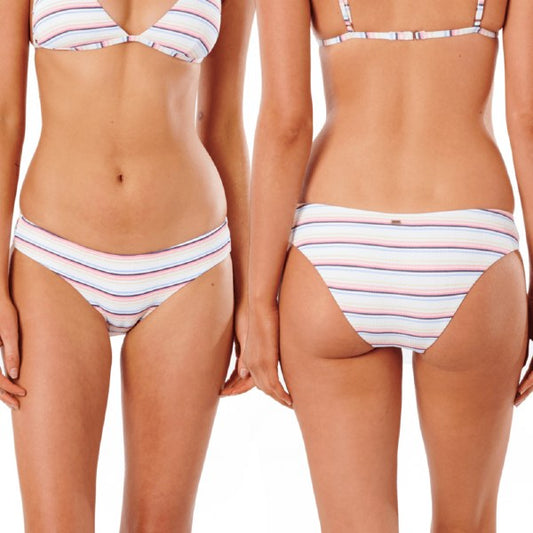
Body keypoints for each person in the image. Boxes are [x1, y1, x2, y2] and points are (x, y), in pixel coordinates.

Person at [227, 0, 533, 531]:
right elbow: (528, 120)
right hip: (466, 247)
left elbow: (286, 123)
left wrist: (258, 299)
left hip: (335, 250)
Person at [0, 0, 253, 530]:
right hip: (54, 261)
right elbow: (4, 117)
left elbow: (225, 121)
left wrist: (252, 295)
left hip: (191, 267)